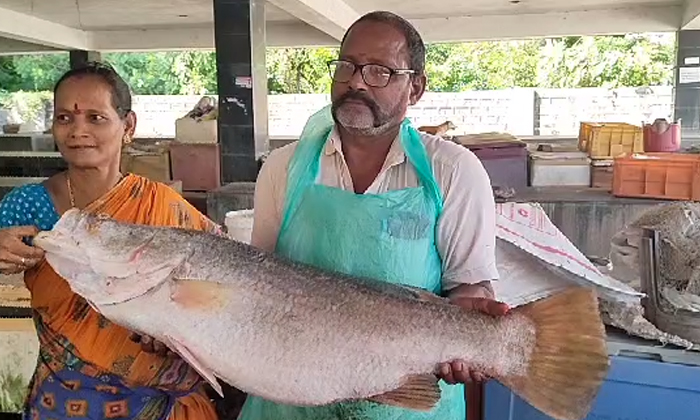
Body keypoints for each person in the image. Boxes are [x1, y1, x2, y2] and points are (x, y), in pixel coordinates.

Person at [245, 10, 508, 420]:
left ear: (415, 87)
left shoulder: (453, 171)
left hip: (407, 402)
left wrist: (465, 342)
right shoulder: (284, 168)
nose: (356, 82)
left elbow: (470, 287)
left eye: (379, 71)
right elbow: (257, 283)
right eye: (346, 66)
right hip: (291, 400)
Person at [0, 62, 220, 420]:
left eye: (95, 118)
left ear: (128, 126)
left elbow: (224, 283)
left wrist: (171, 325)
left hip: (162, 405)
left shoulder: (163, 208)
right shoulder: (28, 206)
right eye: (65, 118)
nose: (78, 131)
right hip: (64, 404)